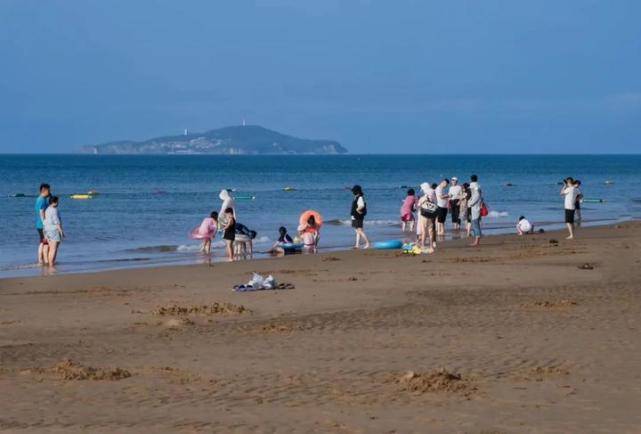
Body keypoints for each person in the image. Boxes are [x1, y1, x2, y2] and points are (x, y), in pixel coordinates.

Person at [43, 196, 64, 266]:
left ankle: (50, 263)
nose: (58, 203)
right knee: (54, 249)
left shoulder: (47, 209)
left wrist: (44, 231)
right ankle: (51, 264)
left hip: (47, 230)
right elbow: (56, 221)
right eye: (57, 201)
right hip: (54, 230)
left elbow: (45, 220)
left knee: (51, 248)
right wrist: (61, 231)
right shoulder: (54, 210)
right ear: (54, 202)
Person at [417, 182, 437, 253]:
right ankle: (431, 246)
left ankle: (423, 245)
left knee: (424, 231)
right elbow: (435, 203)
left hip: (424, 215)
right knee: (430, 230)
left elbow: (418, 206)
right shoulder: (433, 194)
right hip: (431, 215)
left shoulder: (423, 197)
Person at [35, 183, 51, 265]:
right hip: (42, 224)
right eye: (49, 190)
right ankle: (46, 260)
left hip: (39, 224)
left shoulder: (42, 199)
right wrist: (45, 224)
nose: (50, 191)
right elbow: (41, 212)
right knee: (45, 242)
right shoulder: (41, 199)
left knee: (42, 242)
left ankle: (40, 260)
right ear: (44, 190)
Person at [350, 185, 370, 249]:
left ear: (357, 192)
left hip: (358, 216)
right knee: (357, 231)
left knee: (359, 230)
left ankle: (367, 243)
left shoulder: (360, 197)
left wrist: (357, 210)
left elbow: (361, 206)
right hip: (355, 216)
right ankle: (357, 245)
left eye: (354, 191)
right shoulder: (357, 197)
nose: (353, 192)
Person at [468, 175, 483, 247]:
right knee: (476, 224)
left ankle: (477, 241)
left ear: (471, 179)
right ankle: (477, 239)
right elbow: (479, 196)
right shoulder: (478, 185)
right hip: (477, 207)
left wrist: (470, 203)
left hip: (475, 208)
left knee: (475, 224)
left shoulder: (473, 185)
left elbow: (476, 195)